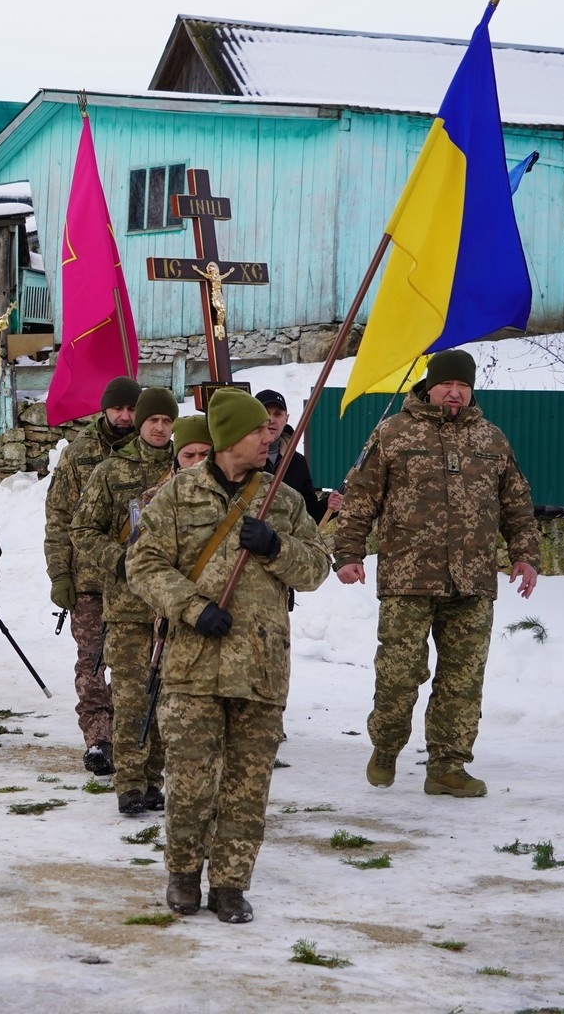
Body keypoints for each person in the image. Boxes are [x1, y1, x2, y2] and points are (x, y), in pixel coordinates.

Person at [127, 387, 331, 924]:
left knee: (248, 784)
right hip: (193, 665)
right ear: (225, 440)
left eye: (269, 431)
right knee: (192, 782)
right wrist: (192, 609)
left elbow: (315, 569)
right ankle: (183, 875)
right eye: (256, 431)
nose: (268, 438)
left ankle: (232, 885)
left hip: (261, 668)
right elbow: (142, 566)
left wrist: (275, 548)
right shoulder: (176, 497)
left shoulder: (282, 501)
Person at [333, 348, 541, 798]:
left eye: (463, 386)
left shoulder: (492, 440)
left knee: (463, 678)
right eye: (447, 384)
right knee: (399, 672)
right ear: (430, 386)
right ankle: (386, 747)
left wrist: (525, 555)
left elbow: (517, 506)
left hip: (473, 581)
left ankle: (447, 766)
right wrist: (348, 553)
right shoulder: (392, 433)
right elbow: (360, 499)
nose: (454, 392)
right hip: (409, 579)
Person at [71, 387, 178, 815]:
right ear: (139, 423)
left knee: (166, 701)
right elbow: (82, 529)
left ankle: (155, 780)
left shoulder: (186, 467)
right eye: (152, 420)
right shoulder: (112, 471)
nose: (159, 427)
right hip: (129, 608)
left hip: (174, 608)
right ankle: (130, 784)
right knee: (133, 698)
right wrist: (120, 562)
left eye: (166, 421)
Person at [43, 374, 139, 776]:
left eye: (131, 408)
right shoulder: (79, 454)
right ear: (104, 408)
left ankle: (133, 736)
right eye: (118, 407)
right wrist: (60, 574)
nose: (124, 415)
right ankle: (98, 739)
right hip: (90, 582)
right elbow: (59, 518)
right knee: (93, 661)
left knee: (136, 662)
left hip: (139, 580)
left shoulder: (152, 453)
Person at [255, 389, 333, 522]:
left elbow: (309, 513)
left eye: (278, 414)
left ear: (286, 419)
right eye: (265, 413)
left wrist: (328, 505)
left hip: (286, 541)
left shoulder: (297, 462)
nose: (271, 419)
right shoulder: (242, 459)